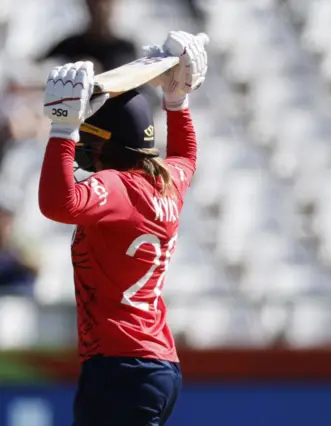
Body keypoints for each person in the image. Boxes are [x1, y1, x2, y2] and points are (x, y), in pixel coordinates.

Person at [38, 30, 208, 426]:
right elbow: (185, 154)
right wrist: (177, 100)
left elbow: (57, 204)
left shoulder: (118, 188)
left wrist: (63, 131)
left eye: (89, 144)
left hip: (121, 368)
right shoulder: (168, 181)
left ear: (107, 146)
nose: (86, 153)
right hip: (157, 366)